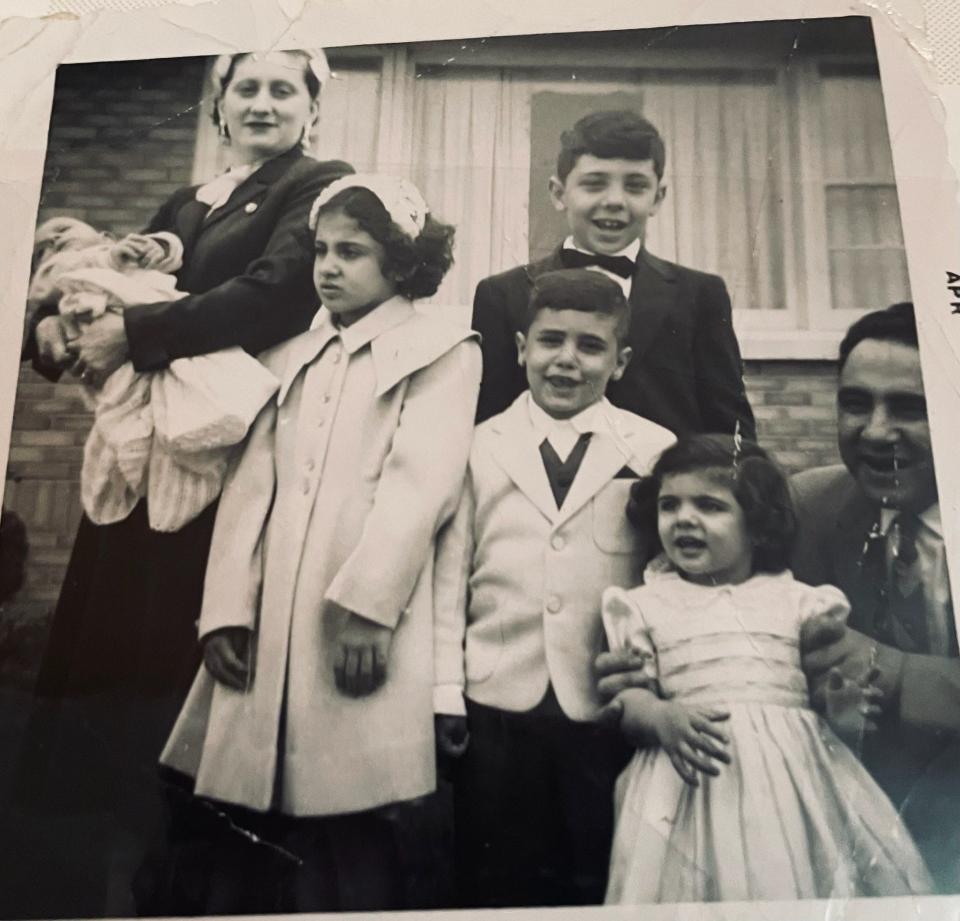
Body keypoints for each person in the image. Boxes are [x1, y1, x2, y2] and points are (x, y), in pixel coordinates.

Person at [12, 49, 352, 917]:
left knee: (183, 664)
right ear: (220, 107)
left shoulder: (317, 184)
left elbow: (277, 293)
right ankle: (120, 868)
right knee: (115, 674)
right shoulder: (186, 201)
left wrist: (135, 333)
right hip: (139, 455)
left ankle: (189, 874)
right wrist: (55, 331)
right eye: (248, 87)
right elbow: (107, 282)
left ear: (312, 106)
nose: (265, 102)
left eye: (285, 88)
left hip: (223, 452)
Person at [158, 174, 481, 914]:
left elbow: (420, 487)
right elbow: (249, 491)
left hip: (356, 621)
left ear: (401, 265)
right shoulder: (291, 356)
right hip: (274, 620)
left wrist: (369, 607)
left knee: (351, 818)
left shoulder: (443, 350)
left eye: (353, 253)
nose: (328, 267)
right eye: (322, 251)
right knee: (249, 824)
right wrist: (226, 610)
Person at [600, 434, 931, 903]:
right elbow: (629, 702)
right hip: (684, 779)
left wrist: (842, 710)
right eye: (669, 505)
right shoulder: (645, 605)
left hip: (788, 785)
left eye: (710, 506)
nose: (684, 519)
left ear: (756, 526)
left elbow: (821, 697)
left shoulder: (797, 600)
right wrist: (661, 718)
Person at [433, 268, 675, 907]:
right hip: (495, 704)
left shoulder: (653, 450)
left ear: (620, 361)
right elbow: (448, 578)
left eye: (590, 347)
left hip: (605, 709)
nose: (567, 360)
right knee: (492, 877)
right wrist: (444, 691)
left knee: (595, 874)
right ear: (520, 349)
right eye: (550, 341)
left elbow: (667, 578)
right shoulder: (476, 447)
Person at [791, 302, 960, 891]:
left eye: (911, 408)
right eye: (856, 403)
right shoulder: (810, 506)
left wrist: (888, 670)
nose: (876, 431)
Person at [471, 109, 755, 439]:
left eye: (635, 186)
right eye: (594, 184)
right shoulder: (503, 294)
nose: (615, 201)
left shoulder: (700, 294)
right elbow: (489, 422)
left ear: (658, 197)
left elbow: (730, 427)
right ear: (558, 193)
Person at [26, 216, 279, 533]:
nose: (54, 243)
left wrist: (158, 246)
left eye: (62, 229)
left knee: (196, 386)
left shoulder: (126, 250)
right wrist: (99, 263)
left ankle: (188, 454)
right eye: (41, 250)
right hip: (126, 345)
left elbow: (172, 250)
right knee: (126, 408)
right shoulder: (72, 267)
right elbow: (44, 284)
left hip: (160, 330)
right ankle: (146, 462)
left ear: (104, 233)